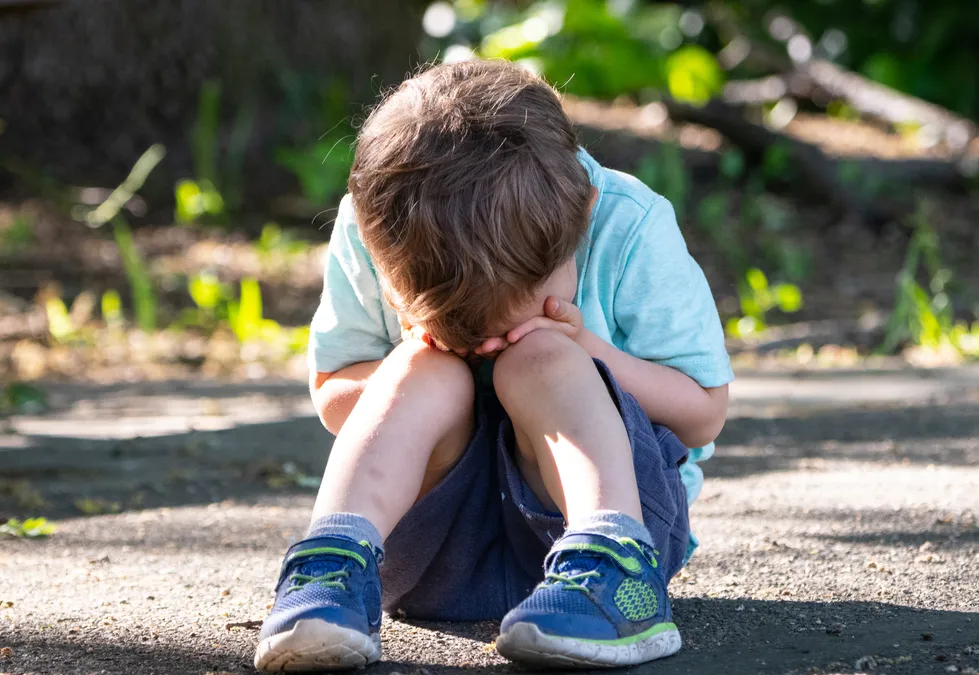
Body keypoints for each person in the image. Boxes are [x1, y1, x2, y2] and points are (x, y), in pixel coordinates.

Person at [253, 59, 732, 671]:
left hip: (601, 521)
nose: (486, 343)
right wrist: (416, 358)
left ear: (580, 217)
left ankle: (613, 561)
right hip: (429, 551)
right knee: (421, 370)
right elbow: (331, 392)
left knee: (542, 356)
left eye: (504, 316)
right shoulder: (379, 224)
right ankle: (334, 565)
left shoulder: (627, 220)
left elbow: (704, 414)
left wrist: (592, 353)